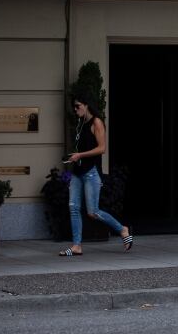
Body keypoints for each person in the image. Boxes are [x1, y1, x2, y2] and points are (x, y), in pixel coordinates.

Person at [59, 94, 132, 256]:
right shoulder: (81, 123)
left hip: (91, 172)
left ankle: (122, 229)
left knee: (93, 211)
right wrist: (74, 156)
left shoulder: (96, 122)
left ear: (86, 105)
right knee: (73, 208)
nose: (75, 109)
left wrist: (80, 155)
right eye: (74, 106)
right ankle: (77, 246)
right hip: (77, 172)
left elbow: (101, 148)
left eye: (78, 106)